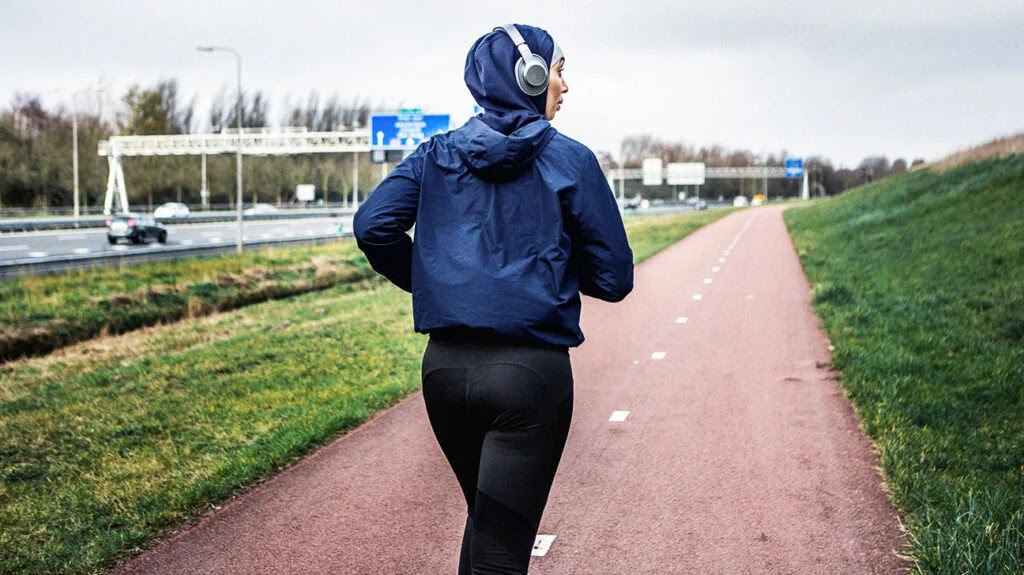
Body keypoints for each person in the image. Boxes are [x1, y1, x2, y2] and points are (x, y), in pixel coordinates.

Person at [354, 23, 633, 575]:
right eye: (558, 70)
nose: (565, 85)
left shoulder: (434, 155)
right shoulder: (570, 160)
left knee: (488, 531)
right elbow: (615, 277)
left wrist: (440, 281)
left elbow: (372, 226)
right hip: (527, 379)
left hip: (444, 373)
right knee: (502, 549)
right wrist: (544, 271)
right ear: (530, 76)